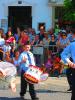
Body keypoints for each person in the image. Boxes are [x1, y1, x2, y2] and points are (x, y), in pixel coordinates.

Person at [61, 30, 75, 100]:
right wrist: (69, 62)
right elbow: (63, 54)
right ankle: (71, 86)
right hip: (72, 65)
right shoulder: (72, 45)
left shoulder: (71, 44)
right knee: (67, 73)